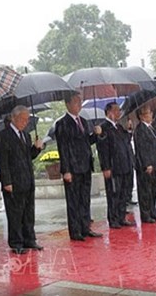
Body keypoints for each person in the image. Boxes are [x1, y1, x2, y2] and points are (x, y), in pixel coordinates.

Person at [0, 105, 44, 253]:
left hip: (27, 179)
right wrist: (7, 181)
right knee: (15, 213)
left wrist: (36, 148)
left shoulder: (26, 135)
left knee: (29, 212)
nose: (25, 122)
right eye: (23, 119)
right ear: (14, 118)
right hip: (13, 182)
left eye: (27, 119)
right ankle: (16, 242)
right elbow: (2, 161)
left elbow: (28, 157)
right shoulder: (3, 136)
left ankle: (29, 239)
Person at [55, 92, 103, 241]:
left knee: (85, 199)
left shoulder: (83, 121)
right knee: (74, 201)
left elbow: (86, 142)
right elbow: (63, 148)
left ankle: (85, 226)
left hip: (85, 165)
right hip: (73, 168)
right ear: (68, 104)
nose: (79, 104)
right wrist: (66, 170)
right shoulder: (62, 124)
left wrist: (96, 135)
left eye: (80, 101)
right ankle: (75, 231)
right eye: (76, 102)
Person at [96, 101, 136, 229]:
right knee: (114, 193)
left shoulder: (119, 127)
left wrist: (129, 130)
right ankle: (113, 218)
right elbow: (103, 149)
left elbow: (125, 142)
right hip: (113, 167)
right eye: (116, 110)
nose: (119, 113)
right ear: (109, 112)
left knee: (123, 193)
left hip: (124, 165)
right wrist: (106, 167)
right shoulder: (104, 128)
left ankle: (121, 216)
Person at [133, 106, 156, 223]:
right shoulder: (140, 129)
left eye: (150, 113)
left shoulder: (151, 128)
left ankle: (153, 211)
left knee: (153, 189)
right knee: (145, 190)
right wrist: (147, 164)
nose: (150, 115)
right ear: (141, 116)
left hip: (155, 162)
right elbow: (142, 149)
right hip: (146, 165)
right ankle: (145, 214)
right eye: (147, 113)